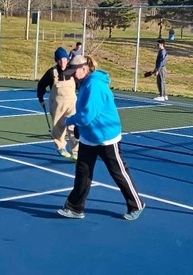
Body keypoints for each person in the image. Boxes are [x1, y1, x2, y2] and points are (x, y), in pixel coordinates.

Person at [58, 55, 146, 221]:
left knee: (118, 172)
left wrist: (69, 121)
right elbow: (85, 114)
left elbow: (86, 116)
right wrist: (79, 128)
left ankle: (137, 204)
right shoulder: (84, 84)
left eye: (74, 72)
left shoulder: (94, 85)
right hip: (89, 137)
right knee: (83, 173)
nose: (72, 76)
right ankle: (75, 208)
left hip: (106, 137)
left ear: (84, 69)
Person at [36, 47, 79, 159]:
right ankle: (60, 147)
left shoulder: (73, 71)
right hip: (57, 105)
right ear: (57, 60)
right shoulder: (52, 72)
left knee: (73, 127)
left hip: (71, 104)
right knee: (58, 128)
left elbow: (79, 84)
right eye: (60, 59)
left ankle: (75, 151)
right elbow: (41, 85)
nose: (62, 62)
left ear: (67, 59)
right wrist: (40, 98)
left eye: (64, 59)